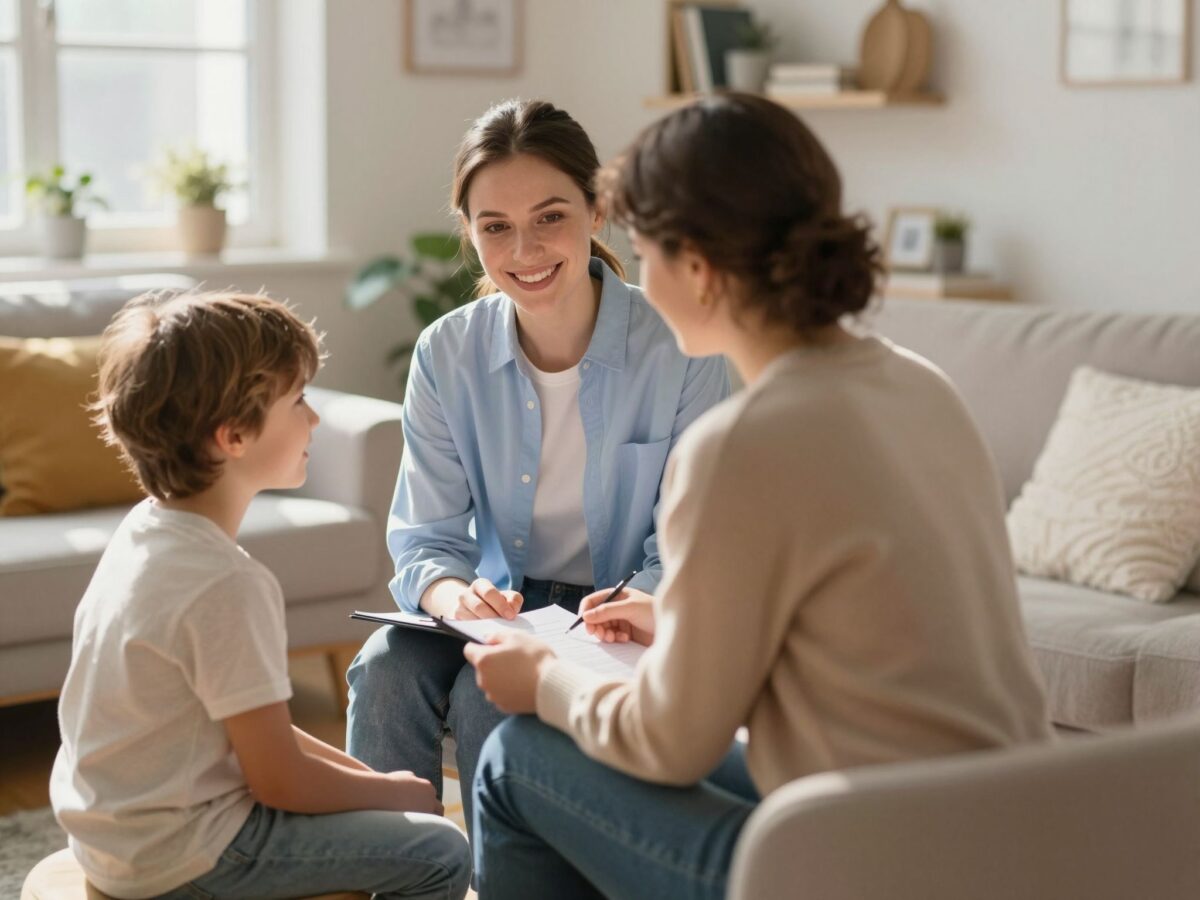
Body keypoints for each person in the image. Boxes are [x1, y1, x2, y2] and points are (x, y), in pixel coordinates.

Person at [464, 93, 1054, 900]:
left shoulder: (739, 445)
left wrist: (544, 681)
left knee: (516, 758)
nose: (637, 276)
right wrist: (681, 618)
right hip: (1006, 840)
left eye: (644, 249)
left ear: (699, 268)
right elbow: (871, 624)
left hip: (864, 867)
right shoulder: (922, 387)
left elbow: (669, 743)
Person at [344, 98, 730, 821]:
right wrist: (454, 596)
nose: (524, 251)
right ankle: (398, 876)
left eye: (549, 217)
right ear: (470, 232)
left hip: (626, 613)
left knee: (490, 699)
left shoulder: (680, 346)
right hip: (498, 604)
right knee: (385, 670)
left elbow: (691, 543)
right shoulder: (447, 352)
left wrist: (630, 603)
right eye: (496, 227)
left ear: (596, 209)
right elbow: (425, 539)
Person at [50, 291, 471, 900]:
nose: (315, 420)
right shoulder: (227, 584)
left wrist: (376, 782)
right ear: (234, 436)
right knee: (440, 851)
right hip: (185, 856)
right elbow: (280, 783)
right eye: (298, 400)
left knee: (391, 810)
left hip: (115, 836)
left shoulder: (144, 533)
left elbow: (252, 726)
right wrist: (392, 796)